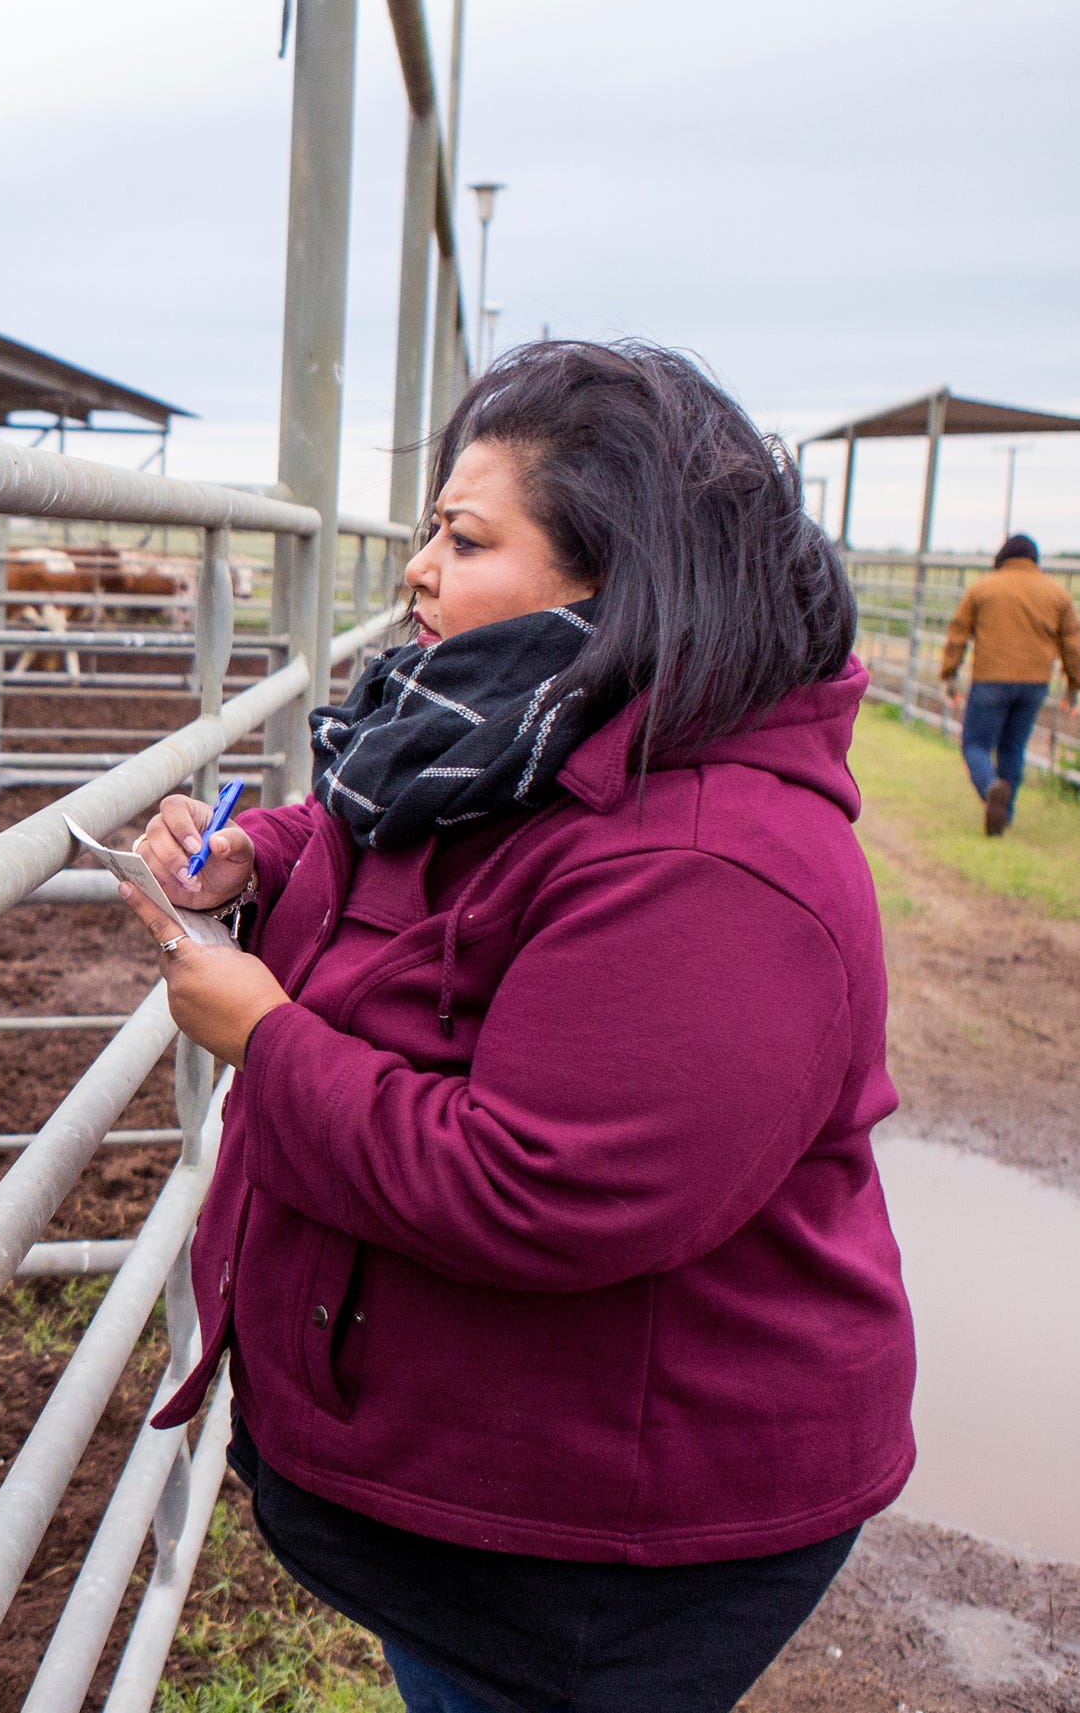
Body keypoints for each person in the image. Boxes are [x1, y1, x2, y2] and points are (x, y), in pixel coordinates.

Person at [112, 341, 912, 1713]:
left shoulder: (715, 864)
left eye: (464, 537)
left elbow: (541, 1183)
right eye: (430, 525)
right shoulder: (554, 731)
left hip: (606, 1552)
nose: (418, 567)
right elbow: (442, 874)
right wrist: (279, 855)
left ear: (620, 577)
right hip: (522, 1499)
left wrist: (268, 1037)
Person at [937, 533, 1080, 836]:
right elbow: (1072, 643)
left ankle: (991, 788)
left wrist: (949, 674)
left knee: (975, 744)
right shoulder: (1057, 594)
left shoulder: (983, 588)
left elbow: (958, 633)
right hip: (1035, 684)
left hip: (990, 678)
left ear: (1002, 557)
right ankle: (1004, 814)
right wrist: (1074, 685)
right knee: (1013, 747)